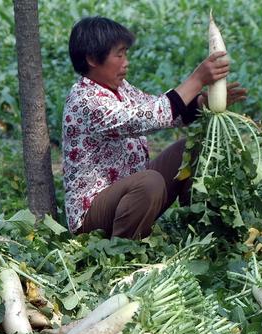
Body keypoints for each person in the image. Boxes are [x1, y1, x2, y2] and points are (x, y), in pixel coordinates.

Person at [62, 16, 246, 239]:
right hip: (93, 214)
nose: (125, 62)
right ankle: (121, 249)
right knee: (150, 182)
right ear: (92, 59)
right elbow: (147, 118)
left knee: (190, 149)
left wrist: (202, 103)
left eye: (125, 54)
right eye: (119, 54)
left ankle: (200, 228)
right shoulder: (85, 100)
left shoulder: (121, 88)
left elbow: (158, 109)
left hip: (131, 196)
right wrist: (197, 79)